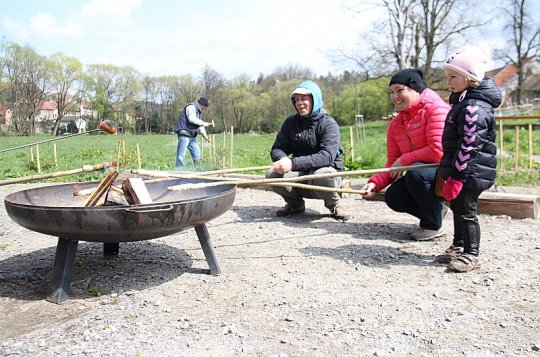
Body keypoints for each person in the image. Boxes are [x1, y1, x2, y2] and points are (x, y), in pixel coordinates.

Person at [361, 69, 450, 240]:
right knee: (394, 197)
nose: (395, 97)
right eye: (392, 92)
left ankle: (432, 225)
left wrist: (404, 160)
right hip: (420, 174)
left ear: (415, 89)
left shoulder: (436, 110)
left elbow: (438, 151)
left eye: (400, 90)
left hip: (445, 171)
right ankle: (436, 211)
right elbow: (392, 163)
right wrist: (374, 183)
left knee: (415, 173)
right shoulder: (396, 124)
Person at [437, 45, 502, 272]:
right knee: (457, 207)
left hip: (472, 171)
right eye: (448, 77)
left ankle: (471, 254)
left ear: (469, 77)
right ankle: (459, 245)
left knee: (467, 210)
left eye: (453, 76)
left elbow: (469, 144)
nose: (449, 82)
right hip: (463, 169)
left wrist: (458, 175)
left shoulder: (473, 107)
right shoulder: (463, 102)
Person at [266, 80, 350, 220]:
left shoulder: (329, 124)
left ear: (315, 99)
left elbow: (326, 157)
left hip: (326, 171)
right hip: (300, 172)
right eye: (297, 99)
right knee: (271, 175)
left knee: (324, 174)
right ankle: (295, 205)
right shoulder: (290, 123)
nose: (300, 103)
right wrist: (283, 159)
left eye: (304, 98)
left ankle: (334, 205)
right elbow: (277, 148)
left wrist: (292, 164)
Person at [174, 97, 212, 168]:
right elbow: (191, 119)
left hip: (192, 136)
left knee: (197, 155)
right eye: (204, 107)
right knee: (181, 156)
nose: (204, 109)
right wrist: (203, 123)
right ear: (201, 104)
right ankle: (179, 173)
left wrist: (206, 137)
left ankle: (199, 171)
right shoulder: (191, 107)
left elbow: (199, 125)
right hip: (184, 134)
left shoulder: (198, 111)